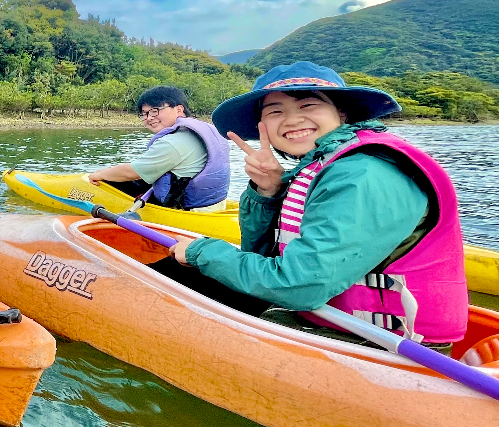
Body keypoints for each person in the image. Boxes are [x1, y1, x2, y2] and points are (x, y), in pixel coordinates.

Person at [162, 61, 467, 349]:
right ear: (263, 125)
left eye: (308, 105)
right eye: (275, 111)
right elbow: (258, 256)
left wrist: (201, 250)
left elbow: (300, 287)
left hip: (389, 345)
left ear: (342, 114)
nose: (292, 119)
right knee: (187, 273)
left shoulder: (363, 173)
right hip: (331, 319)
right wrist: (268, 194)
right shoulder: (321, 165)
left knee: (186, 278)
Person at [87, 86, 230, 211]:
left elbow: (132, 172)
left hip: (187, 209)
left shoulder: (173, 142)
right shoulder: (210, 130)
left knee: (109, 180)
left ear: (179, 109)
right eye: (144, 113)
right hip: (213, 204)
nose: (148, 118)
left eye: (155, 111)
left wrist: (98, 176)